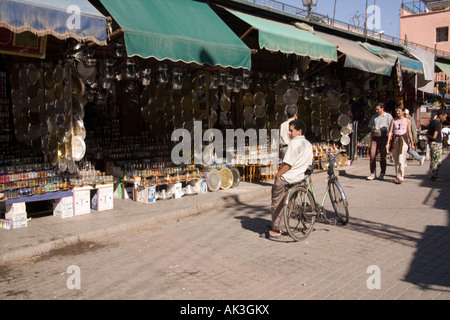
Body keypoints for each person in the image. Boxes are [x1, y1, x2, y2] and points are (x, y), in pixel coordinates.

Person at [262, 119, 313, 240]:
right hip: (299, 178)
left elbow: (288, 164)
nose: (289, 133)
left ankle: (276, 229)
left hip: (288, 177)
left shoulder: (295, 143)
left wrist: (278, 174)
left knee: (277, 202)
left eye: (291, 131)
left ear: (299, 131)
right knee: (288, 203)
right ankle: (280, 224)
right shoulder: (308, 144)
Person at [386, 106, 415, 184]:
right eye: (397, 111)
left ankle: (401, 176)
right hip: (395, 140)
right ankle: (397, 175)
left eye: (399, 111)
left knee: (401, 158)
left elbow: (409, 132)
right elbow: (390, 132)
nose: (398, 112)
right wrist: (388, 142)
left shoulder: (407, 121)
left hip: (403, 140)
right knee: (395, 159)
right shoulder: (393, 121)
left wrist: (412, 143)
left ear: (403, 112)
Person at [367, 103, 393, 180]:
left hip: (383, 137)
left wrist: (389, 140)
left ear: (382, 109)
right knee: (372, 155)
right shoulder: (374, 117)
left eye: (378, 109)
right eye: (376, 109)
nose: (376, 111)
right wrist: (371, 139)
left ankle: (382, 172)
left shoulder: (388, 116)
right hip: (375, 137)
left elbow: (391, 128)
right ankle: (372, 173)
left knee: (383, 156)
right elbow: (371, 129)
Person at [427, 109, 448, 181]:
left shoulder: (432, 122)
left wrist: (429, 137)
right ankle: (434, 175)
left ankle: (431, 174)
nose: (445, 119)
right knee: (437, 160)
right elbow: (435, 135)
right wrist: (432, 137)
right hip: (436, 143)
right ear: (440, 116)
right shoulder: (438, 123)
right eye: (444, 117)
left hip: (431, 143)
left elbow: (427, 132)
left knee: (433, 159)